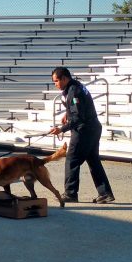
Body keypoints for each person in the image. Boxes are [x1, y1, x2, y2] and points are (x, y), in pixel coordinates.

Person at [48, 67, 114, 204]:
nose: (55, 84)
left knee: (72, 160)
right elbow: (78, 108)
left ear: (64, 78)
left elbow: (78, 117)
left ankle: (70, 193)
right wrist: (67, 113)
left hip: (84, 130)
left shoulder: (73, 92)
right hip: (93, 128)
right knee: (93, 161)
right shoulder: (75, 87)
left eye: (56, 81)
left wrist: (61, 129)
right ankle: (105, 193)